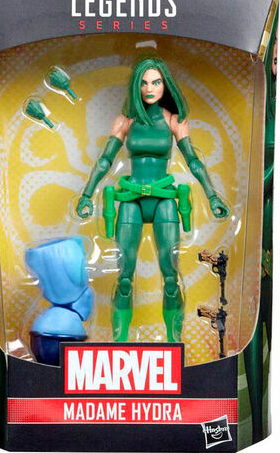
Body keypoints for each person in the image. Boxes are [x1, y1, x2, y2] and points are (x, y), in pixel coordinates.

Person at [76, 56, 229, 342]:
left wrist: (212, 195)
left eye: (156, 82)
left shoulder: (173, 120)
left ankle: (174, 343)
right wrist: (87, 193)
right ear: (136, 85)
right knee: (124, 278)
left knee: (171, 278)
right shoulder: (125, 121)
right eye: (144, 83)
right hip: (131, 199)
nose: (149, 88)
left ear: (165, 85)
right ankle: (120, 344)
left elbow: (193, 160)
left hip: (163, 201)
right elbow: (105, 160)